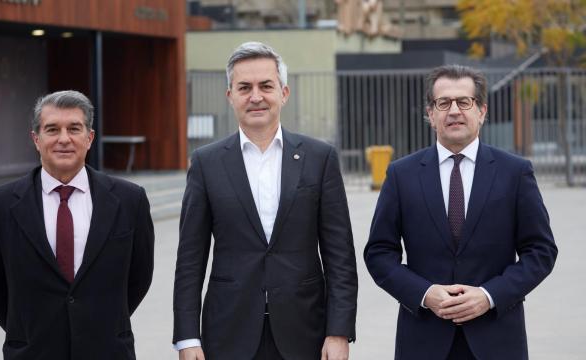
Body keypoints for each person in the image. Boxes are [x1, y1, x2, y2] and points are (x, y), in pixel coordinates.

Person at [173, 42, 358, 360]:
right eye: (244, 87)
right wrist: (187, 338)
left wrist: (338, 331)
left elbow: (339, 256)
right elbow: (190, 260)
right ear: (230, 96)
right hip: (228, 333)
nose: (255, 96)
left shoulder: (319, 158)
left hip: (305, 333)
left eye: (266, 86)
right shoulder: (206, 163)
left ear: (284, 93)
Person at [364, 64, 558, 359]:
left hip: (496, 338)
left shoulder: (514, 172)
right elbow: (379, 252)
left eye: (464, 102)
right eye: (443, 103)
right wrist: (425, 294)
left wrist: (489, 296)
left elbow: (540, 251)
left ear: (482, 111)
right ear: (430, 114)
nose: (454, 111)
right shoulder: (401, 174)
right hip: (424, 340)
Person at [0, 90, 155, 360]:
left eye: (74, 129)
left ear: (89, 138)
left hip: (107, 350)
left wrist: (100, 323)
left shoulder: (130, 200)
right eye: (52, 129)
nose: (64, 139)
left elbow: (139, 276)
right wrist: (26, 328)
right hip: (32, 352)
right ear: (36, 139)